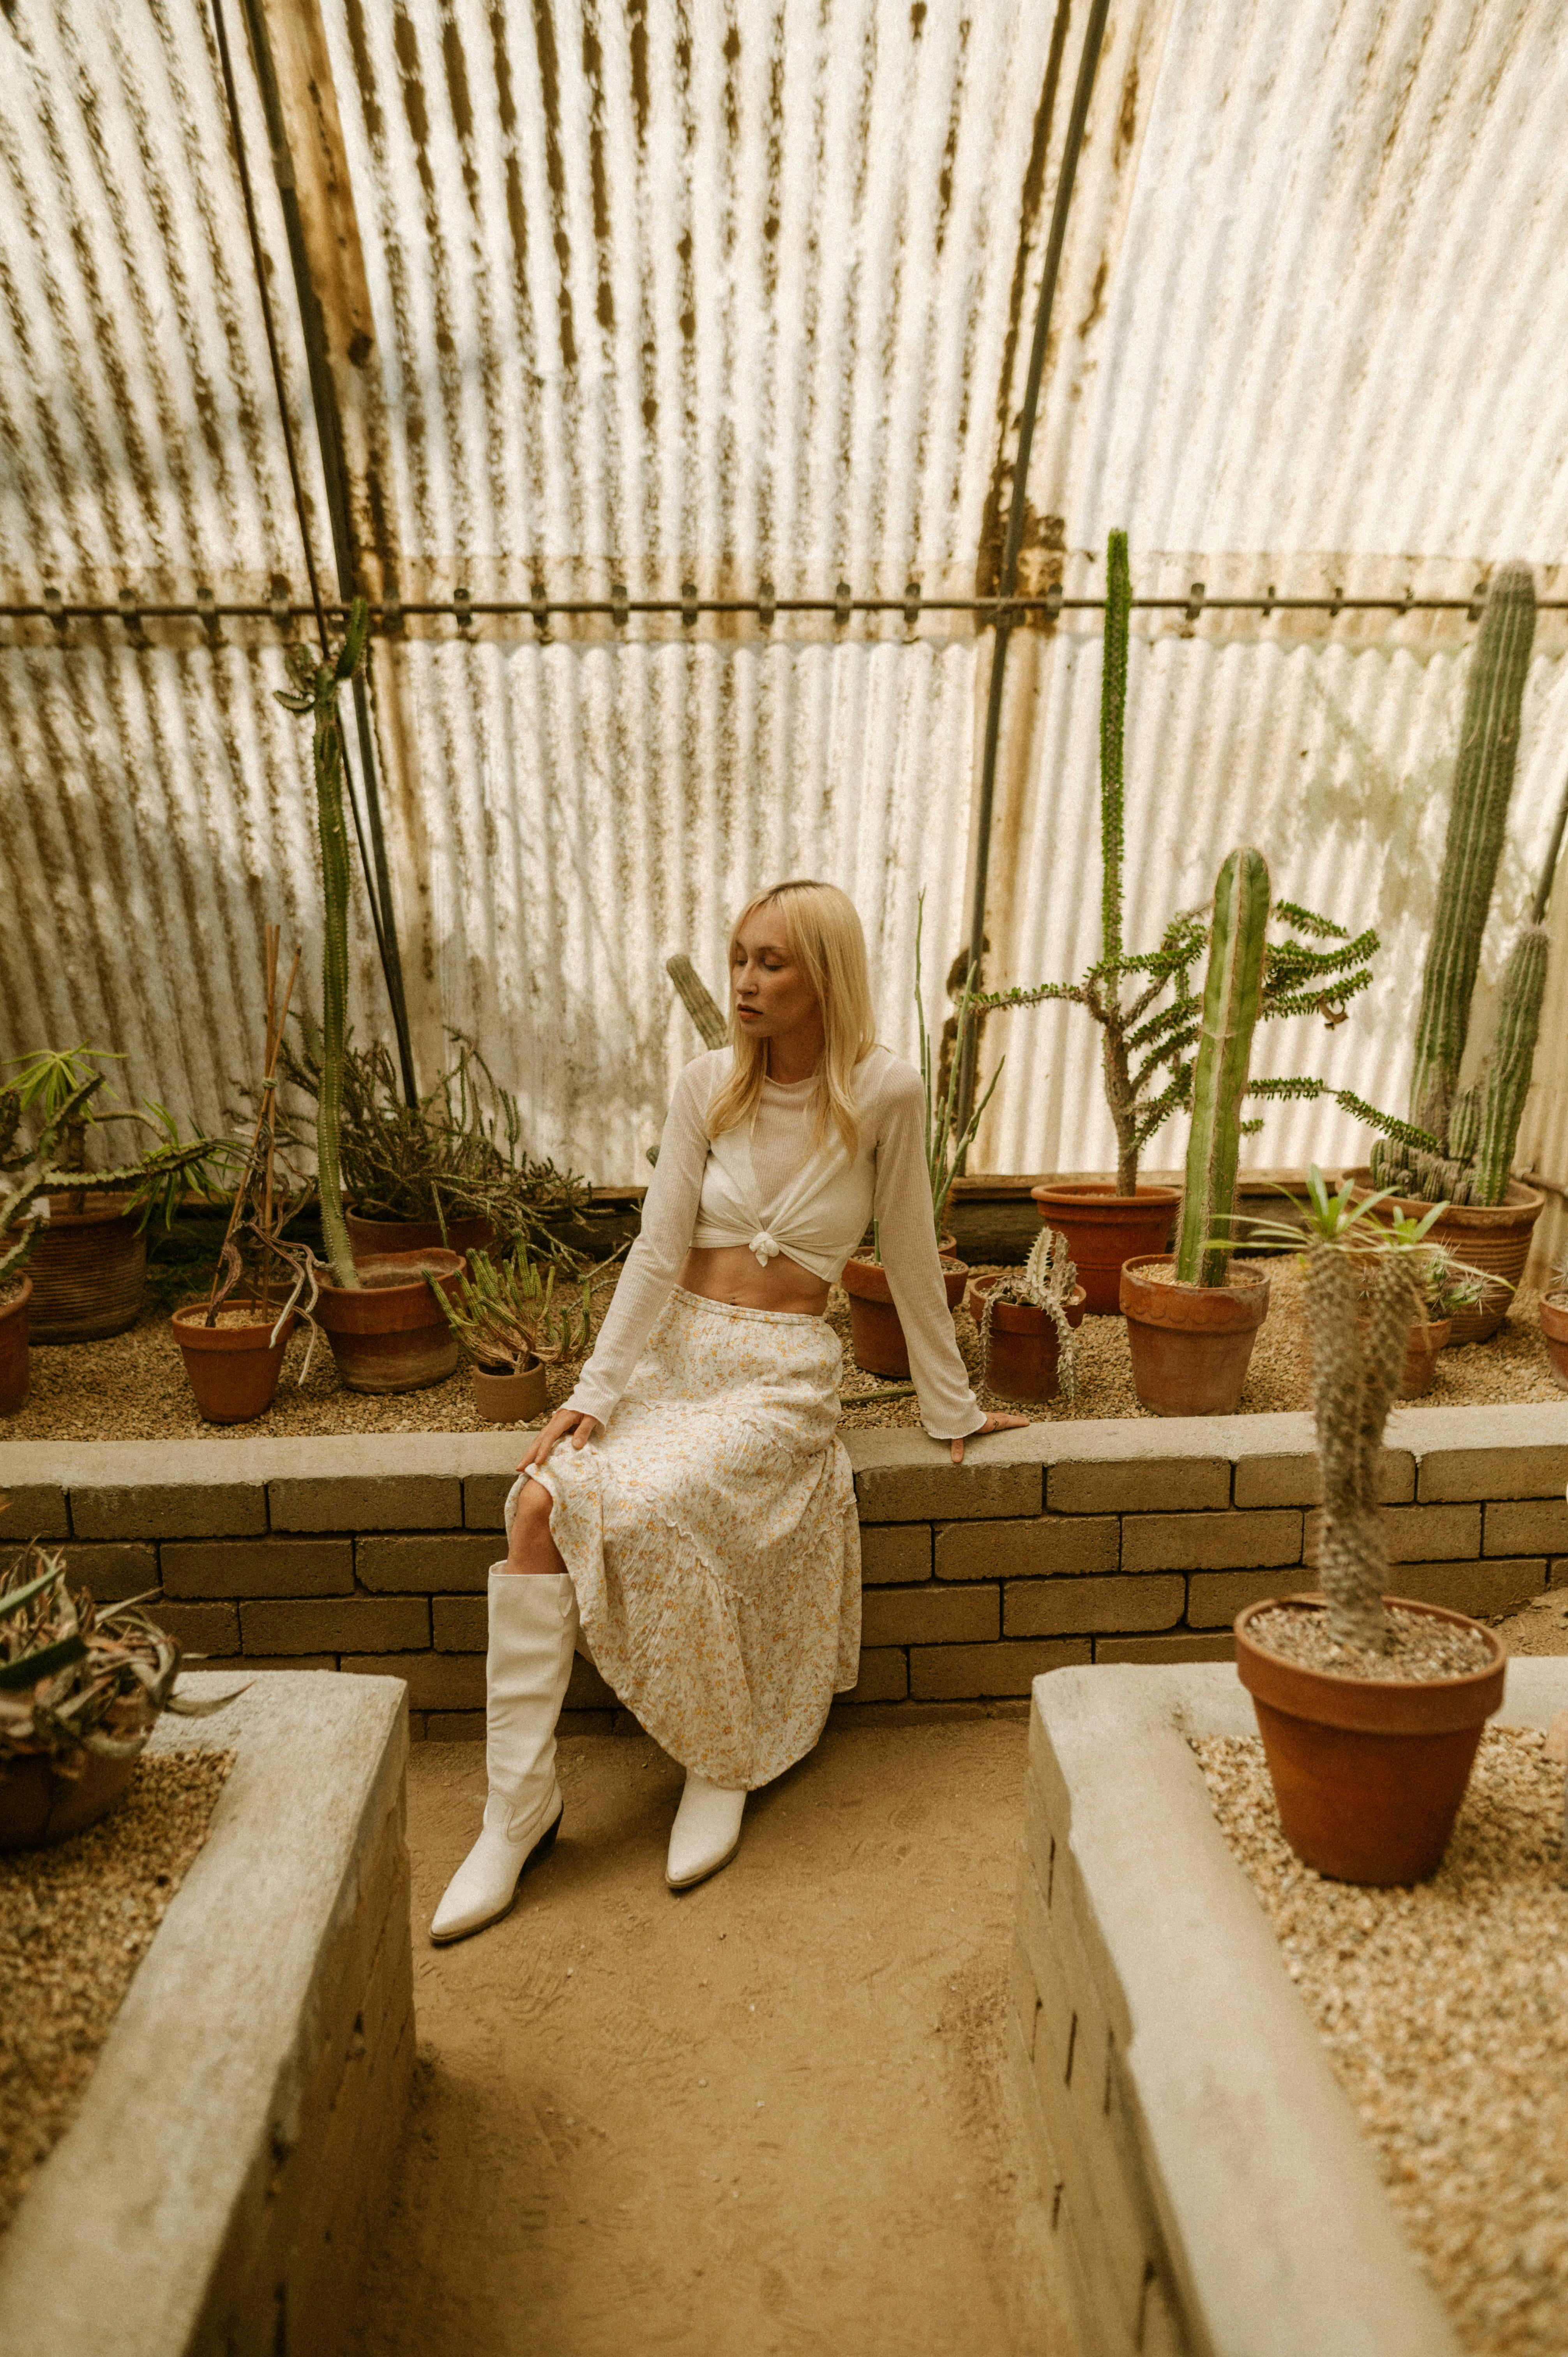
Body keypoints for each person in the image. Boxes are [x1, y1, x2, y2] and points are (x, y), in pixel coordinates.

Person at [430, 878, 1027, 1943]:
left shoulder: (885, 1092)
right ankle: (516, 1814)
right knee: (535, 1506)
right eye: (739, 957)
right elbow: (657, 1253)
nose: (744, 981)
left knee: (659, 1502)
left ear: (825, 978)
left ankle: (721, 1756)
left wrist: (952, 1407)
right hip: (674, 1356)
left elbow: (907, 1247)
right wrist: (593, 1398)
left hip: (778, 1373)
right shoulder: (705, 1084)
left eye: (771, 963)